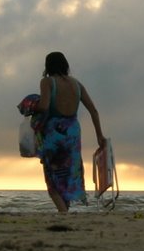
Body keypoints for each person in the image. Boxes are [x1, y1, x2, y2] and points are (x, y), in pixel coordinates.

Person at [34, 52, 106, 213]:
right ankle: (64, 210)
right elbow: (94, 111)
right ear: (65, 65)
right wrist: (99, 136)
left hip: (54, 134)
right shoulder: (77, 84)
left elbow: (44, 106)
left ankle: (63, 213)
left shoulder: (47, 82)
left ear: (48, 66)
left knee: (52, 178)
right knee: (68, 174)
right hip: (73, 133)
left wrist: (32, 106)